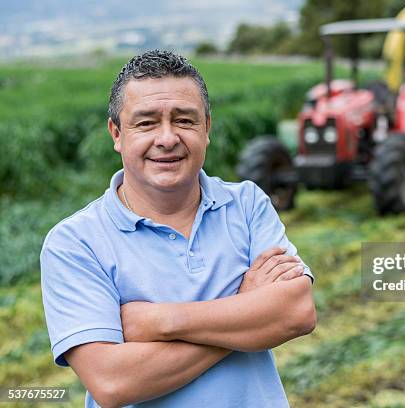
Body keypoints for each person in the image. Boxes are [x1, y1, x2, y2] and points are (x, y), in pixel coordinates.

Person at [40, 50, 316, 408]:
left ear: (207, 129)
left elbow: (297, 313)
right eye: (146, 123)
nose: (167, 138)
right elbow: (112, 382)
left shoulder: (247, 204)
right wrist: (244, 309)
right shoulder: (74, 243)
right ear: (117, 134)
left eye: (184, 120)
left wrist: (161, 321)